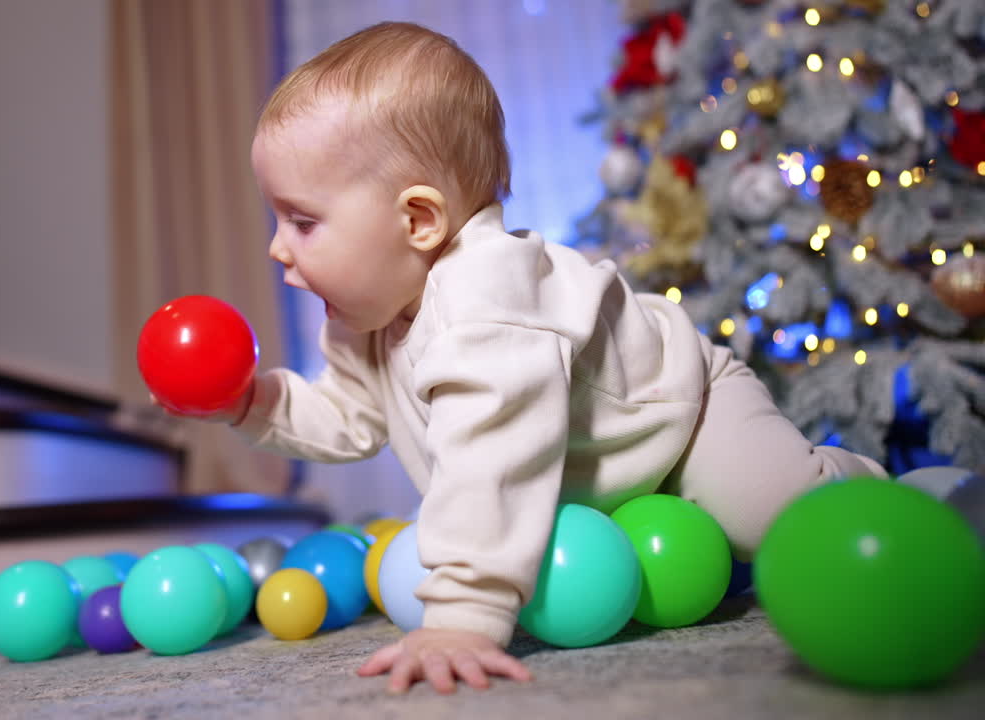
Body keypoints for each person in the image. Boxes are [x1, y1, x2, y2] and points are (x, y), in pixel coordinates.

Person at [161, 20, 887, 693]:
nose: (277, 248)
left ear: (418, 220)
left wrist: (461, 616)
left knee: (771, 518)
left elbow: (494, 457)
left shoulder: (486, 303)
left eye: (303, 221)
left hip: (685, 411)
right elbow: (347, 417)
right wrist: (252, 403)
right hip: (602, 468)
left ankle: (861, 484)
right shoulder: (368, 320)